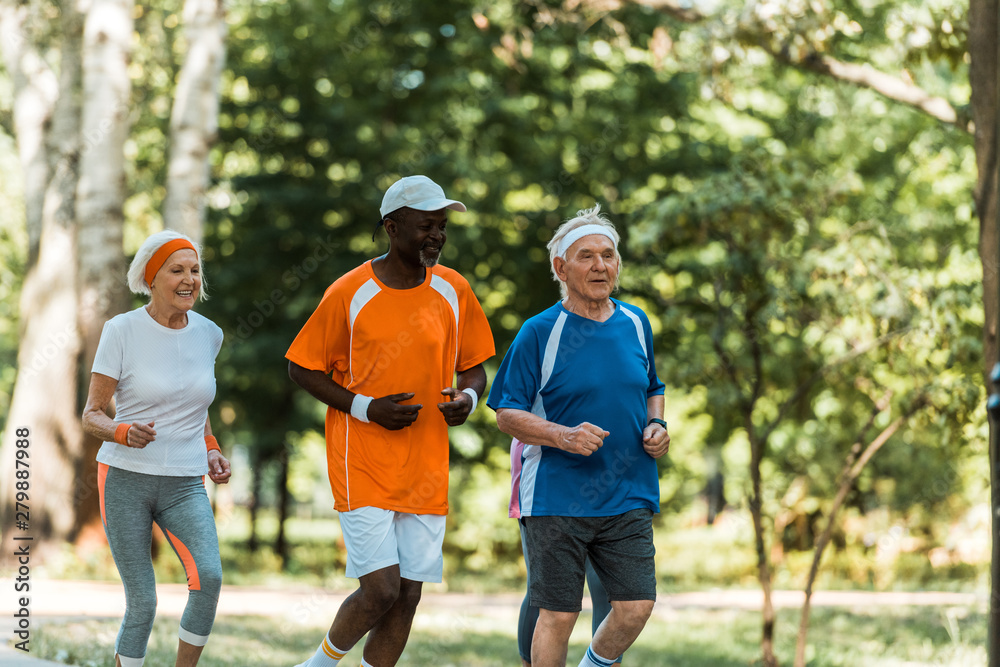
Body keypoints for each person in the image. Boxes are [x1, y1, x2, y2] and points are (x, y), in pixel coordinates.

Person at [286, 175, 495, 667]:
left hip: (426, 464)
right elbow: (301, 366)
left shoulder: (453, 288)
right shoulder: (349, 292)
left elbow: (475, 368)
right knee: (380, 590)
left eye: (442, 227)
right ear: (391, 226)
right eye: (426, 226)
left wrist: (467, 396)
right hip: (363, 461)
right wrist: (366, 407)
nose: (437, 236)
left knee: (407, 596)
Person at [487, 204, 671, 667]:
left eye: (608, 255)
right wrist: (563, 436)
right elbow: (506, 413)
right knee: (558, 613)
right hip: (556, 494)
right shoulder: (539, 332)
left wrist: (657, 425)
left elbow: (653, 388)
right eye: (586, 256)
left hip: (629, 490)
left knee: (635, 607)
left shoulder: (635, 322)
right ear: (561, 268)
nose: (600, 265)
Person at [81, 230, 232, 667]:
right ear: (152, 278)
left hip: (185, 480)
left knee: (209, 577)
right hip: (125, 478)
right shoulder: (122, 330)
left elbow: (194, 402)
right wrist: (122, 431)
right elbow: (91, 414)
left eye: (195, 271)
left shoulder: (210, 334)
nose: (190, 280)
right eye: (177, 270)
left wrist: (211, 447)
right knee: (143, 602)